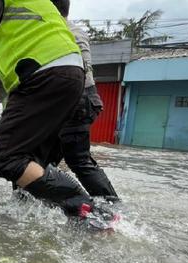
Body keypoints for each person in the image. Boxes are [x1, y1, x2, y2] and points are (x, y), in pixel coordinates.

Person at [0, 0, 94, 217]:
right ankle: (59, 216)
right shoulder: (35, 16)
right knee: (32, 162)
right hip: (71, 74)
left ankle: (85, 207)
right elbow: (2, 76)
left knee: (7, 158)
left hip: (42, 74)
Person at [48, 0, 118, 199]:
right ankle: (55, 203)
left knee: (78, 160)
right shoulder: (76, 30)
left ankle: (111, 207)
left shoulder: (54, 30)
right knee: (47, 160)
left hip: (72, 99)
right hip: (85, 98)